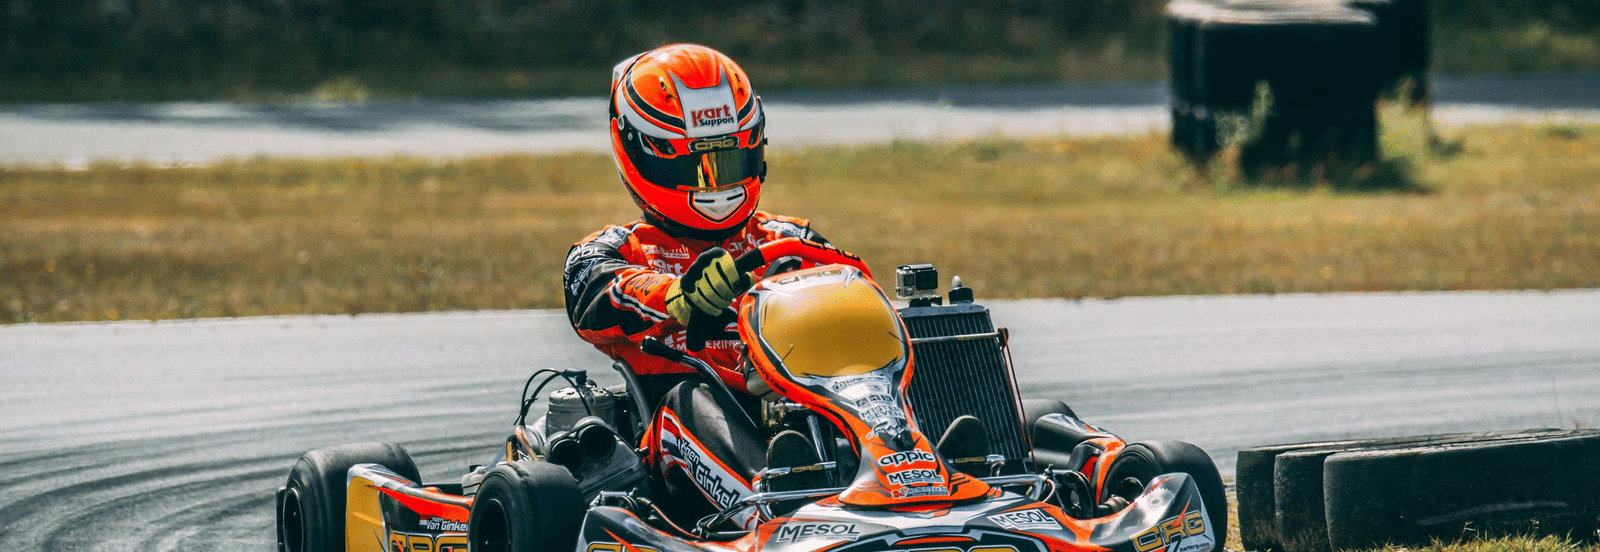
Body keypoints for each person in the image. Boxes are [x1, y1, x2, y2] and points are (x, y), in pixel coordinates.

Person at [563, 44, 832, 527]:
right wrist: (675, 296)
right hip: (674, 453)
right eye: (696, 169)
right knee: (689, 400)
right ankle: (779, 509)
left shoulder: (790, 242)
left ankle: (936, 472)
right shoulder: (617, 249)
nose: (716, 185)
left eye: (728, 164)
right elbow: (596, 293)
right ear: (645, 158)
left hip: (799, 412)